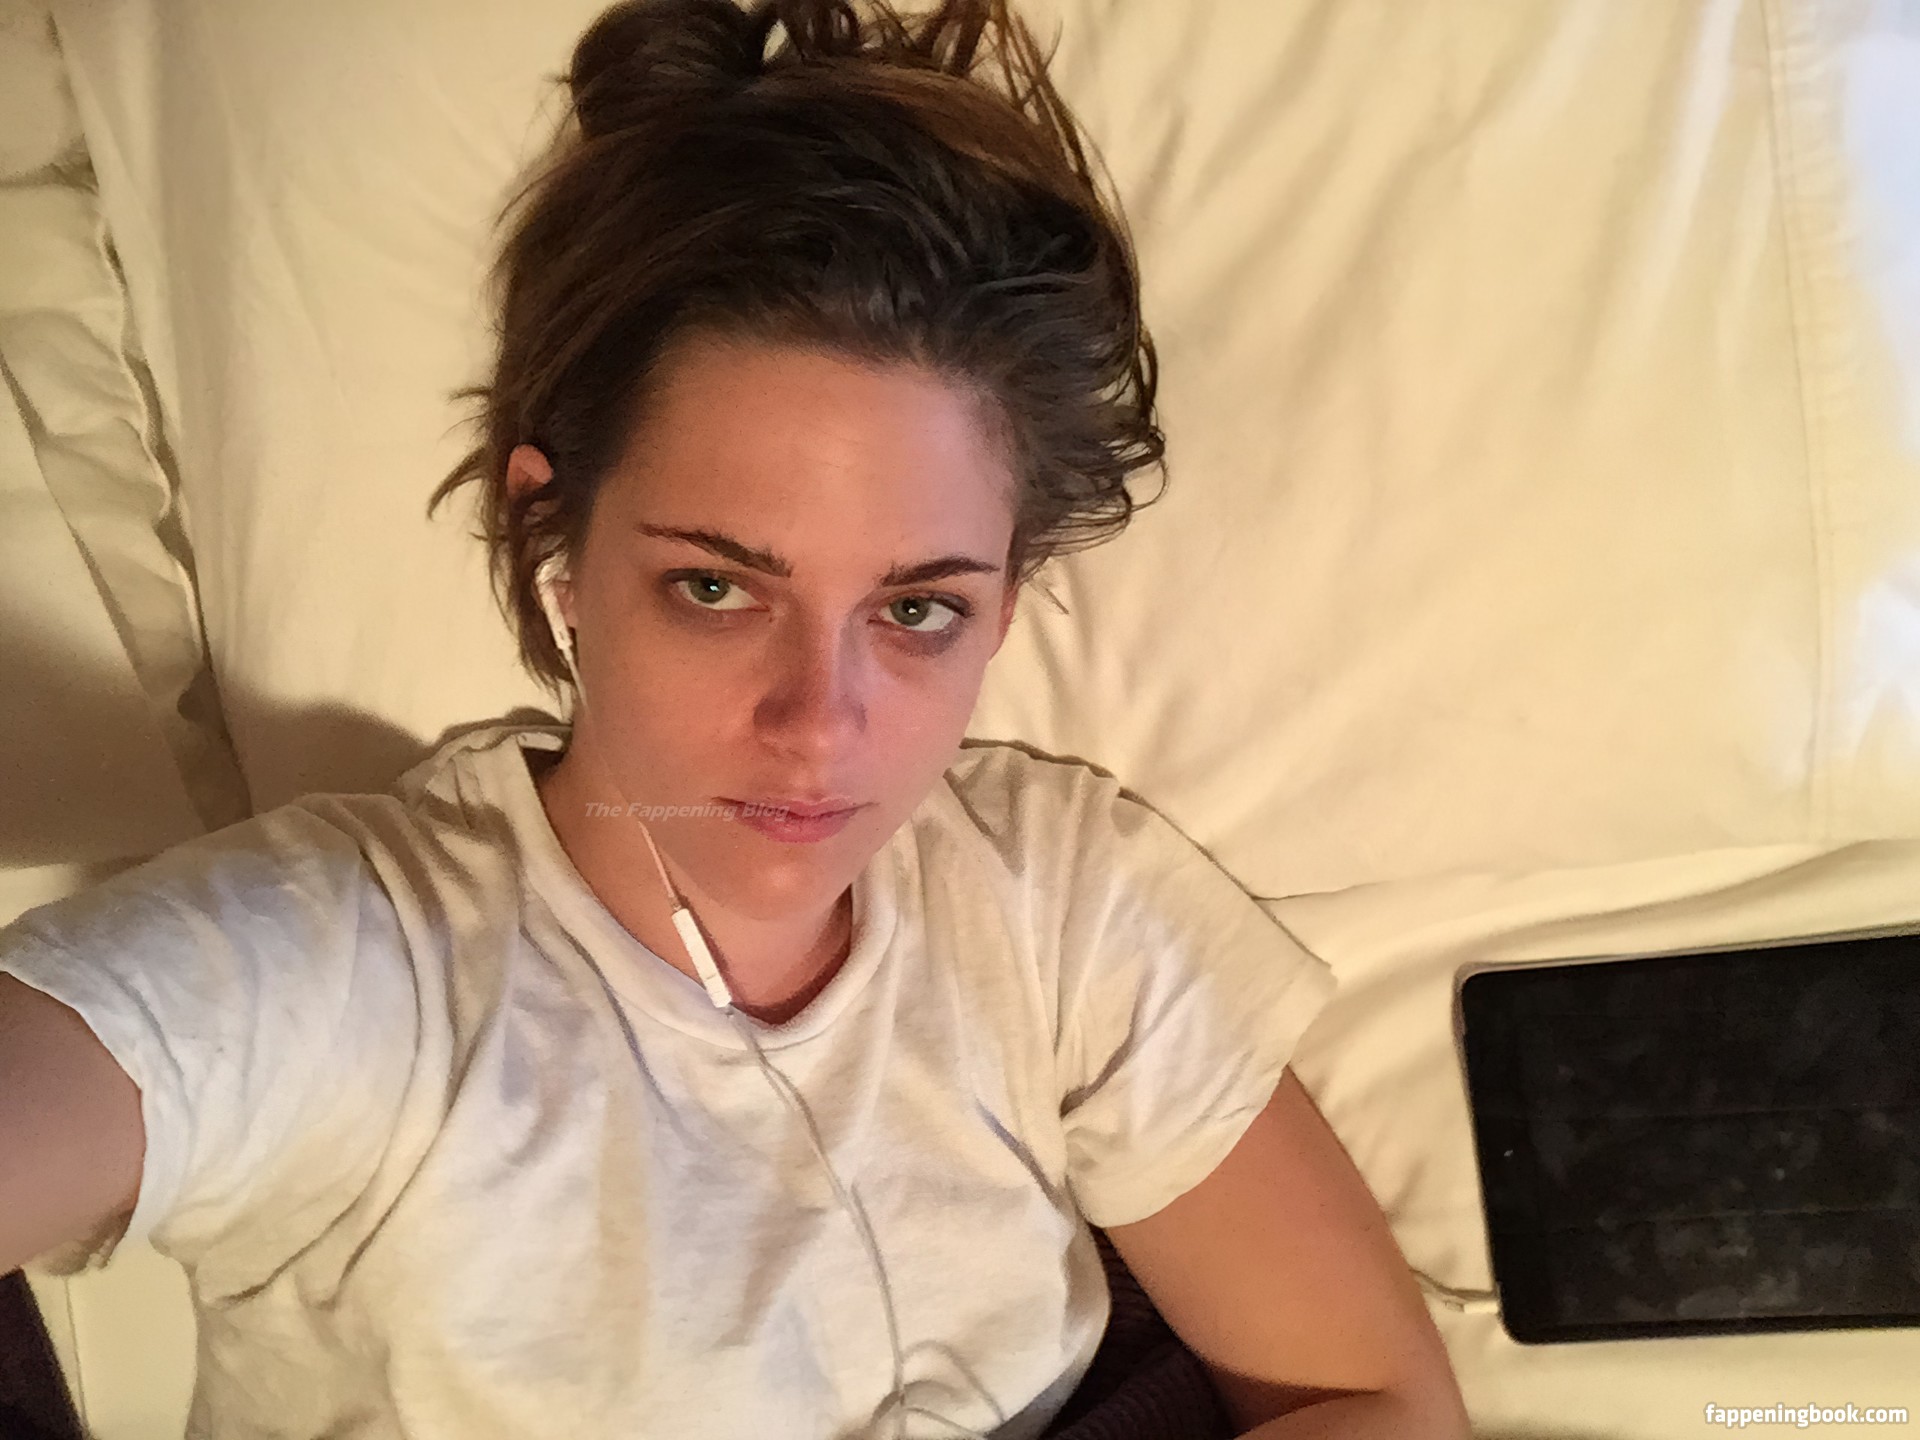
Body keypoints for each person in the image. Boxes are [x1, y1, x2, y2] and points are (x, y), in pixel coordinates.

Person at [0, 1, 1471, 1436]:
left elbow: (1378, 1397)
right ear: (555, 536)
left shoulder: (1054, 908)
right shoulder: (346, 964)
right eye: (716, 588)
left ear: (1006, 603)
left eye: (917, 610)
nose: (819, 727)